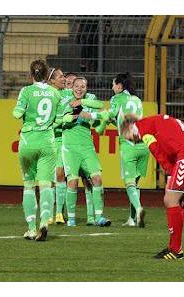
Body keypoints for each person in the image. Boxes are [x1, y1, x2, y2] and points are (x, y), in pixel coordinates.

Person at [121, 114, 184, 259]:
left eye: (131, 138)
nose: (135, 141)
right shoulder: (155, 122)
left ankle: (176, 250)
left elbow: (157, 151)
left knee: (171, 200)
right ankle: (175, 247)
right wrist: (171, 175)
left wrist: (169, 171)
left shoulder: (142, 128)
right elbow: (169, 147)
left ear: (131, 126)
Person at [13, 60, 61, 241]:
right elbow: (58, 119)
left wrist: (26, 112)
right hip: (47, 143)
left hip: (28, 142)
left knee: (28, 185)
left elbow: (16, 114)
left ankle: (31, 228)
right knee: (46, 184)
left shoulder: (26, 91)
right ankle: (45, 221)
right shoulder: (55, 93)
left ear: (31, 74)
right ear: (47, 75)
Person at [94, 73, 149, 227]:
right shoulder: (137, 100)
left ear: (119, 86)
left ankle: (138, 210)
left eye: (113, 84)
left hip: (128, 145)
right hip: (142, 144)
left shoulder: (116, 99)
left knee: (129, 183)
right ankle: (132, 219)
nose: (112, 88)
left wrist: (96, 116)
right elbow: (124, 120)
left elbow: (110, 114)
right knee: (135, 184)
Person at [58, 77, 111, 227]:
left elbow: (100, 106)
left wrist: (83, 105)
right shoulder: (64, 98)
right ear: (72, 87)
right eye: (77, 86)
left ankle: (99, 216)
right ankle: (72, 219)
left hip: (87, 147)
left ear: (86, 88)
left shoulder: (90, 99)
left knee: (97, 179)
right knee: (73, 182)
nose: (79, 89)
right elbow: (57, 118)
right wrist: (66, 118)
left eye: (83, 86)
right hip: (70, 148)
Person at [47, 67, 71, 224]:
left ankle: (59, 213)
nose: (64, 79)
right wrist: (62, 120)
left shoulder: (68, 93)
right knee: (49, 179)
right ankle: (48, 213)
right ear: (52, 81)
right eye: (61, 76)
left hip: (66, 139)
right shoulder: (48, 95)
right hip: (51, 140)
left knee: (61, 175)